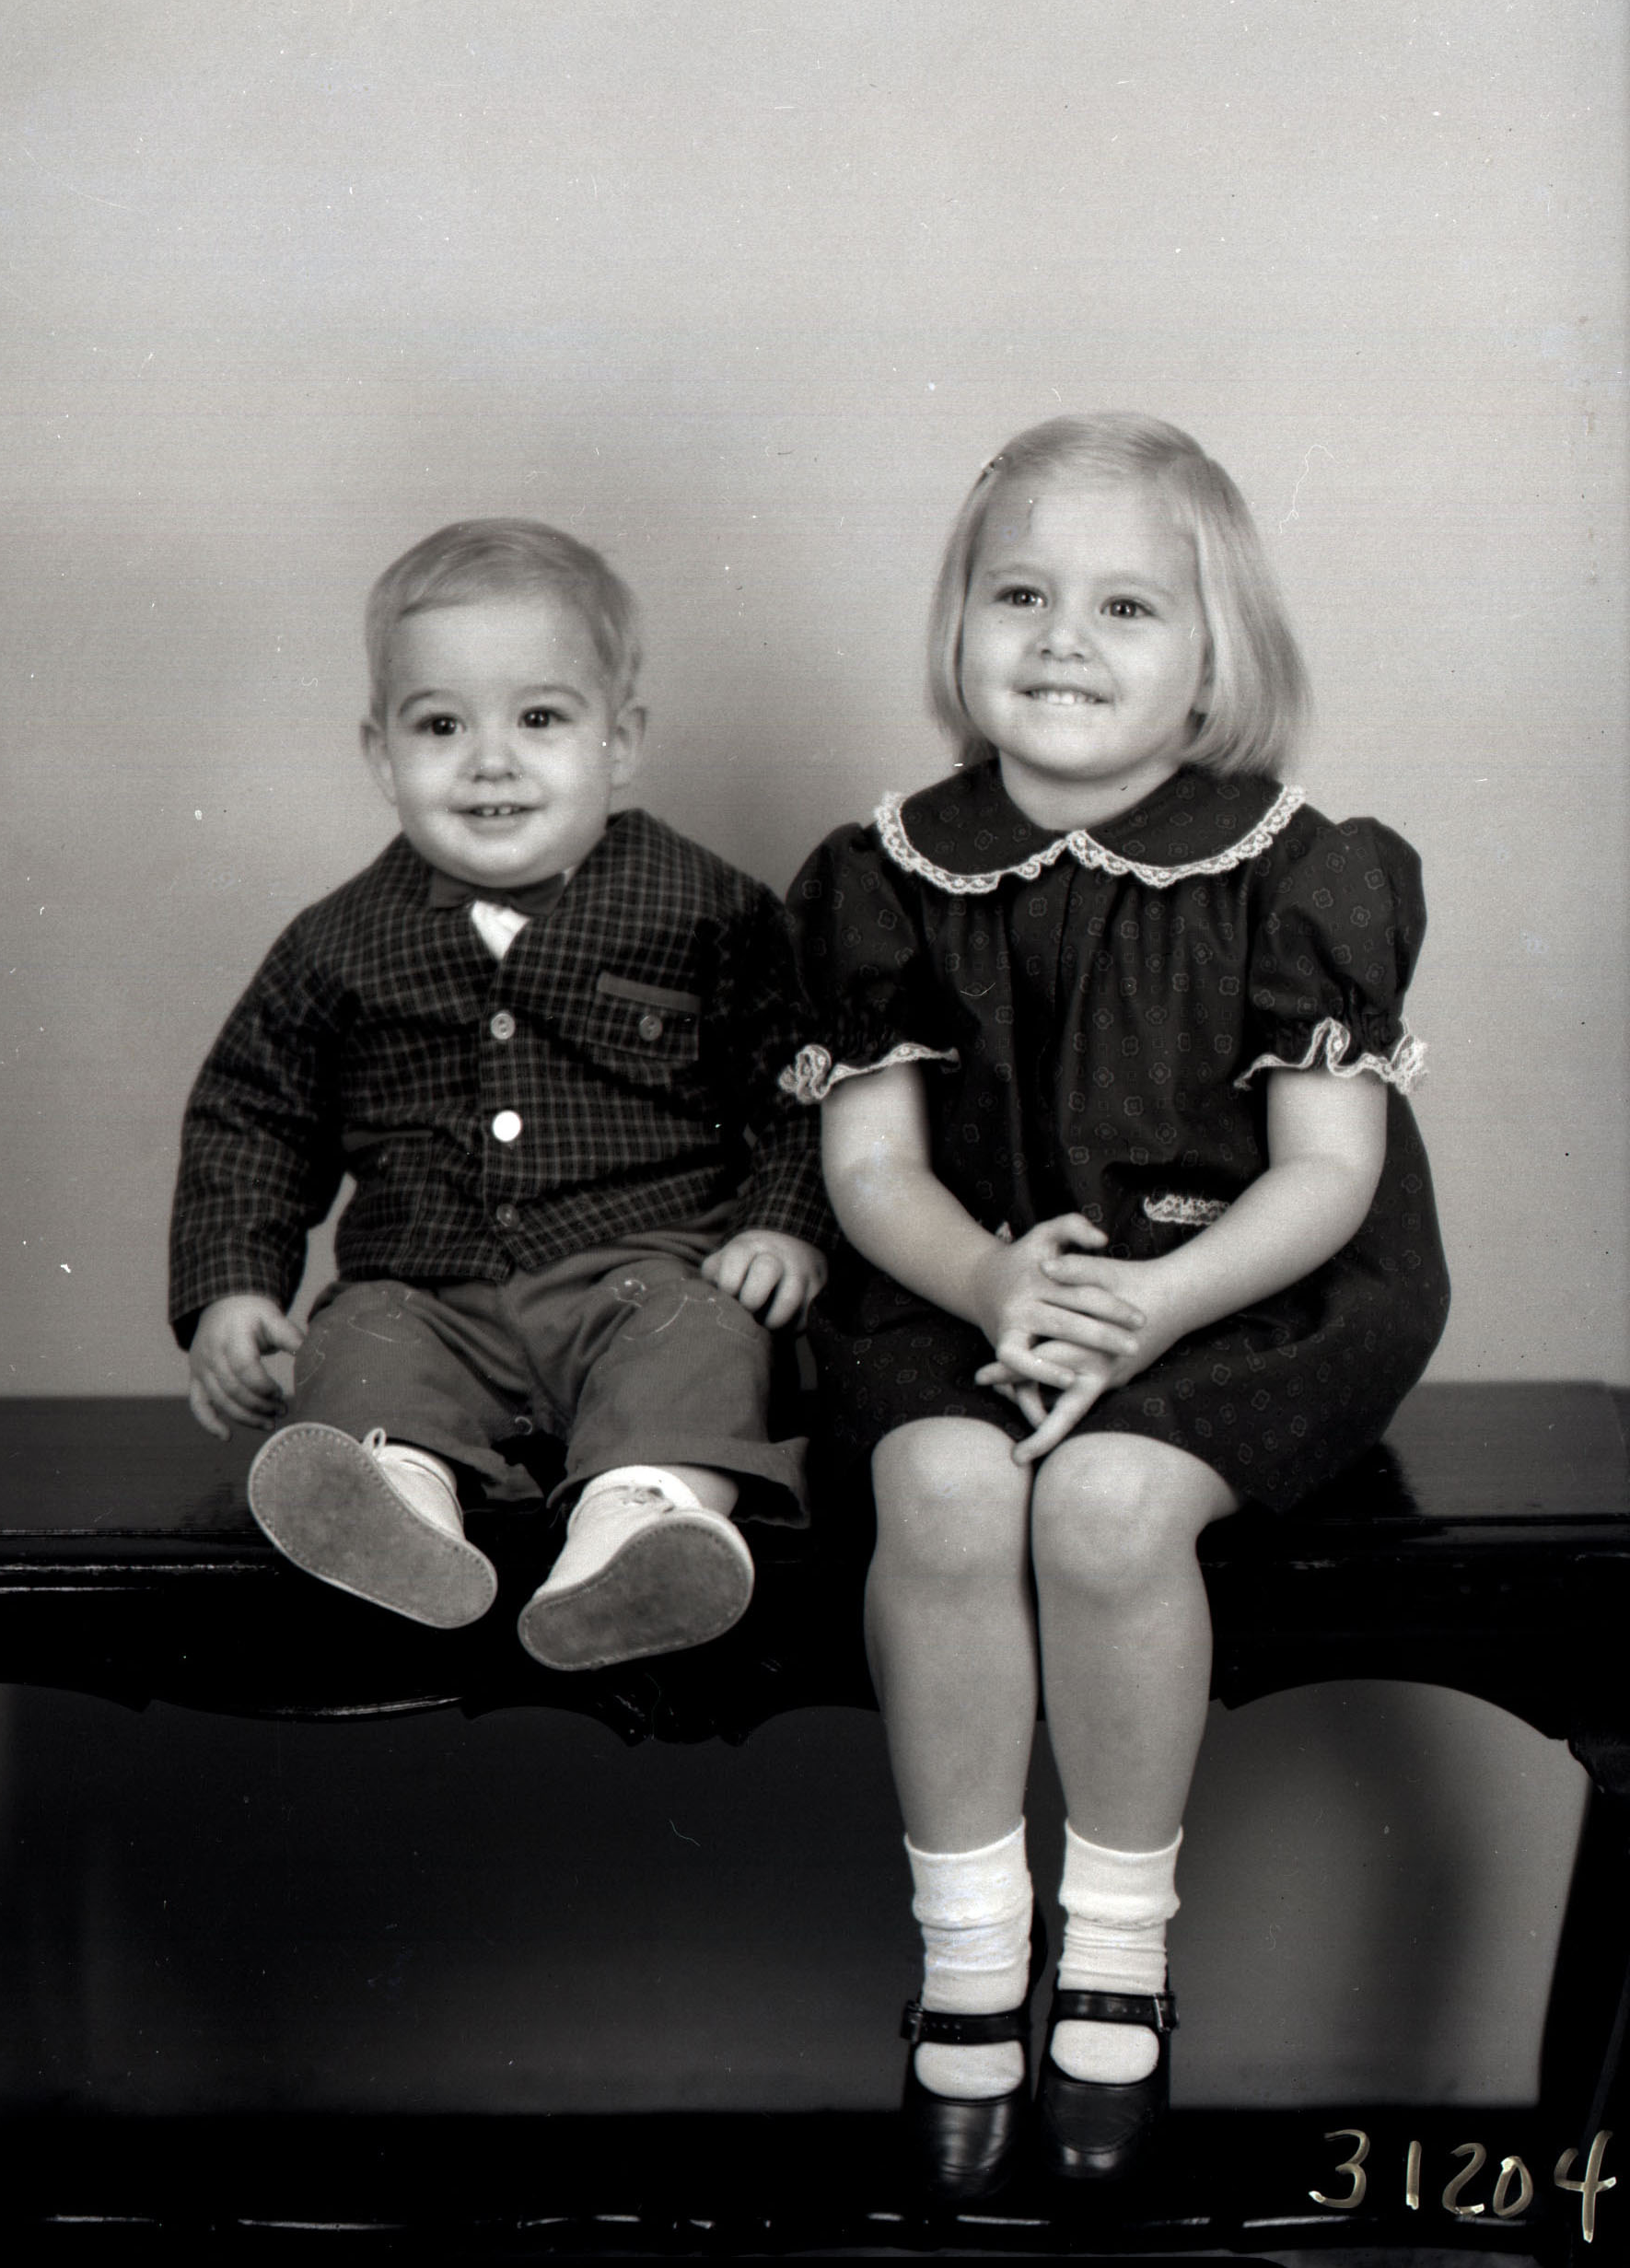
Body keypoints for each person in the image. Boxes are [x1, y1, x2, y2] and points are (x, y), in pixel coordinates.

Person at [792, 413, 1447, 2194]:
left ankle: (1120, 1944)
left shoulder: (1305, 867)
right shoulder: (882, 870)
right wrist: (990, 1276)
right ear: (959, 626)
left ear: (1216, 659)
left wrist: (1154, 1304)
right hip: (971, 1273)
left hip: (1245, 1284)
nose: (1062, 638)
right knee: (942, 1487)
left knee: (1102, 1507)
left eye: (1127, 606)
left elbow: (1328, 1177)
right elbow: (872, 1168)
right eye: (1019, 594)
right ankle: (967, 1943)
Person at [174, 519, 829, 1673]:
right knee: (357, 1343)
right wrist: (233, 1286)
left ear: (621, 741)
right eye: (441, 725)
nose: (490, 762)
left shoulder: (705, 909)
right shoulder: (337, 944)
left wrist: (784, 1224)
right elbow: (254, 1113)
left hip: (644, 1272)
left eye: (540, 719)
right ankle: (394, 1505)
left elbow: (799, 1083)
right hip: (428, 1291)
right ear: (381, 753)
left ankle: (638, 1525)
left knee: (705, 1343)